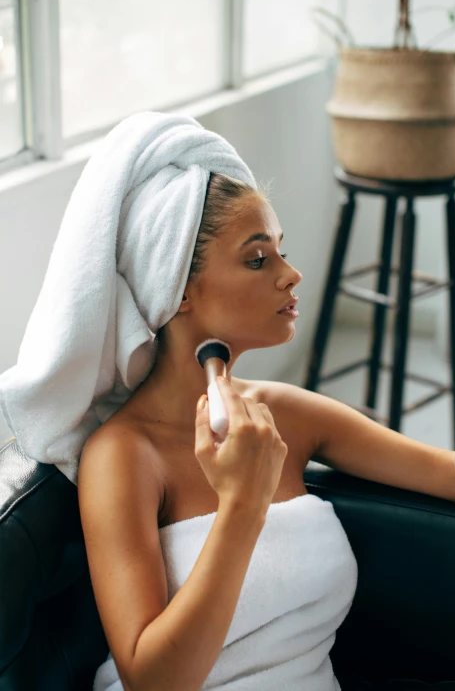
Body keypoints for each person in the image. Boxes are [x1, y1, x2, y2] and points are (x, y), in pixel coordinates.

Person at [79, 171, 358, 691]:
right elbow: (153, 682)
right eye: (258, 259)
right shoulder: (123, 456)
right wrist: (242, 506)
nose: (292, 273)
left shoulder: (284, 414)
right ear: (177, 290)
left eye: (281, 251)